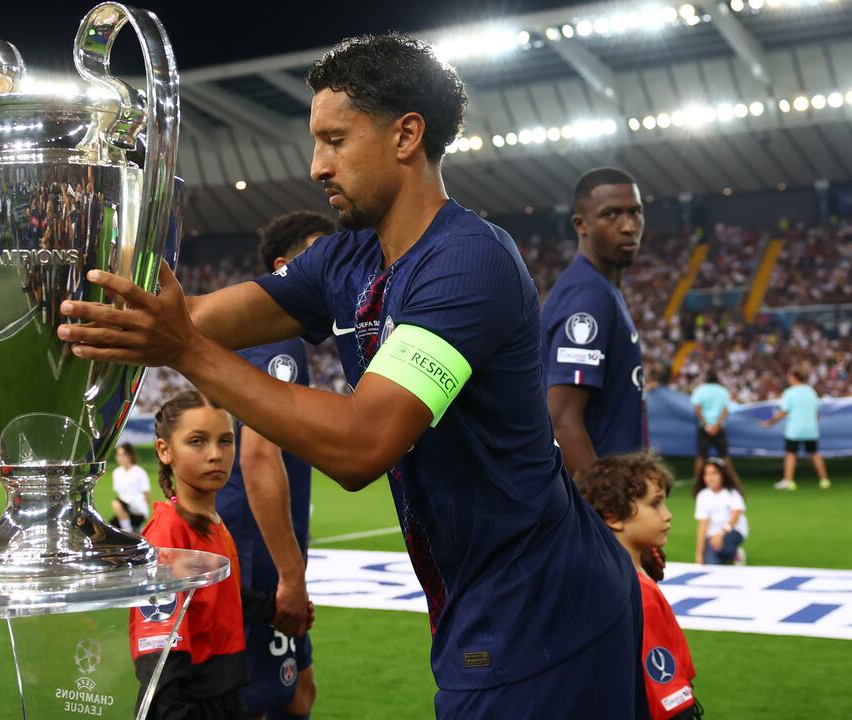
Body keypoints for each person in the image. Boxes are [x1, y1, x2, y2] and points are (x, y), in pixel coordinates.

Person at [62, 33, 641, 717]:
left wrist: (182, 349)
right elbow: (202, 317)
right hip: (482, 599)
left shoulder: (468, 262)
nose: (316, 166)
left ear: (405, 136)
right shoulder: (347, 262)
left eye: (335, 140)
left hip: (544, 611)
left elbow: (362, 445)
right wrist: (89, 310)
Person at [217, 210, 334, 720]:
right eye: (323, 256)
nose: (340, 268)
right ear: (285, 268)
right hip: (257, 551)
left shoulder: (268, 333)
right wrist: (290, 576)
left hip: (258, 543)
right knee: (266, 701)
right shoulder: (277, 336)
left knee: (298, 692)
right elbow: (260, 455)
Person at [129, 391, 250, 719]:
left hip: (223, 694)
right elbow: (158, 653)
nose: (215, 454)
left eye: (225, 441)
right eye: (197, 441)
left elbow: (215, 605)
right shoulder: (166, 535)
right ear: (165, 451)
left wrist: (272, 609)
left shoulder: (214, 523)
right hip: (190, 704)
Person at [575, 454, 701, 720]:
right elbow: (664, 687)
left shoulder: (599, 579)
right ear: (613, 516)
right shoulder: (639, 594)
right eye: (655, 504)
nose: (667, 515)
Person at [542, 167, 646, 477]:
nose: (628, 226)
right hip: (599, 503)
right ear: (581, 225)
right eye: (611, 214)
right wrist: (606, 510)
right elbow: (561, 419)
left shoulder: (600, 290)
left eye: (636, 213)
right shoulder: (589, 296)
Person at [762, 369, 830, 490]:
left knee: (791, 454)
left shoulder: (789, 392)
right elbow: (817, 413)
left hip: (795, 430)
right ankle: (824, 480)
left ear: (794, 377)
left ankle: (789, 481)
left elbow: (783, 412)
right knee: (815, 453)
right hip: (811, 429)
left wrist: (770, 422)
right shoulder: (811, 391)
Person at [692, 457, 748, 565]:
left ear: (723, 474)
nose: (710, 478)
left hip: (734, 531)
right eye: (706, 474)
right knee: (711, 559)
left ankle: (735, 553)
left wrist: (721, 533)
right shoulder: (703, 496)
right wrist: (699, 554)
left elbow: (735, 516)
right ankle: (731, 557)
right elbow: (702, 525)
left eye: (714, 473)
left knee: (720, 547)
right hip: (712, 536)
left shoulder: (731, 493)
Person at [690, 370, 734, 483]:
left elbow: (697, 410)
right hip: (719, 427)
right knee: (725, 456)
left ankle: (698, 480)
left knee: (701, 456)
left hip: (704, 427)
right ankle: (731, 479)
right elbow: (726, 410)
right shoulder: (723, 391)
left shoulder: (700, 390)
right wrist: (716, 425)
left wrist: (706, 425)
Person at [111, 442, 151, 532]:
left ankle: (128, 532)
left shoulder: (140, 472)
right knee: (111, 528)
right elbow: (121, 494)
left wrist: (145, 512)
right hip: (124, 511)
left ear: (130, 455)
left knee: (115, 503)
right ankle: (135, 529)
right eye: (118, 455)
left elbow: (146, 495)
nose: (119, 457)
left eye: (122, 454)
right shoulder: (116, 473)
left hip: (137, 509)